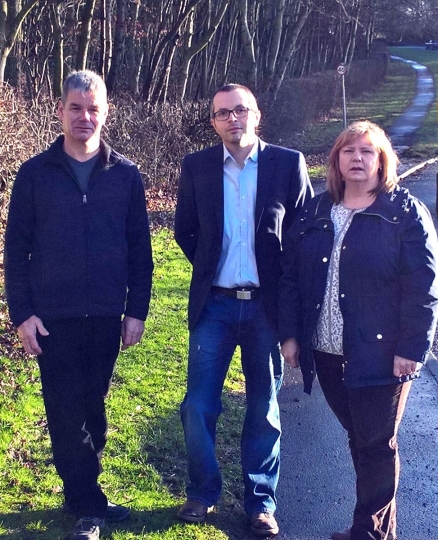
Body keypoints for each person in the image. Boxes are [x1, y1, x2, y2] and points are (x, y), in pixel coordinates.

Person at [3, 70, 153, 540]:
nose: (85, 117)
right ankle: (90, 507)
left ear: (106, 112)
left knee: (94, 410)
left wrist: (137, 310)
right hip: (53, 318)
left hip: (107, 314)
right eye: (76, 108)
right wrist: (22, 313)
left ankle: (79, 492)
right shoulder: (34, 174)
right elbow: (16, 249)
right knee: (66, 412)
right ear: (60, 110)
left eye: (93, 109)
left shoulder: (127, 175)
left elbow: (140, 250)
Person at [279, 121, 438, 540]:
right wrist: (291, 335)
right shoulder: (316, 211)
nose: (357, 158)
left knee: (375, 444)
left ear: (381, 160)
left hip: (383, 355)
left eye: (367, 151)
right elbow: (292, 278)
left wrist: (412, 348)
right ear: (336, 160)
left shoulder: (403, 213)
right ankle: (377, 530)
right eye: (348, 151)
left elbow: (423, 287)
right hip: (329, 353)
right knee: (361, 439)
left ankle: (367, 533)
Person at [173, 84, 313, 536]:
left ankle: (260, 503)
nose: (232, 119)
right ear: (213, 121)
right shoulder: (196, 167)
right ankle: (203, 492)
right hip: (214, 304)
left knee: (263, 408)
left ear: (257, 114)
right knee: (197, 406)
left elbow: (302, 236)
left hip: (265, 309)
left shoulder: (287, 164)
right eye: (222, 113)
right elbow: (185, 231)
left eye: (240, 110)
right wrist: (213, 266)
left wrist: (291, 310)